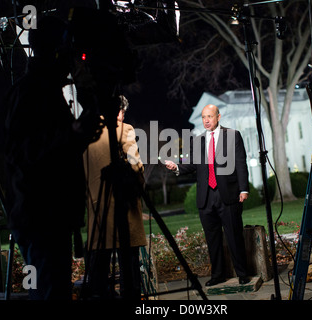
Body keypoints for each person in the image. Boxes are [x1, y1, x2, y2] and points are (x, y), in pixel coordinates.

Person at [4, 16, 103, 300]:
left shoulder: (45, 91)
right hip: (40, 219)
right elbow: (26, 154)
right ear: (56, 54)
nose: (74, 63)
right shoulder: (29, 92)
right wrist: (73, 134)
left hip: (51, 217)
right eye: (69, 55)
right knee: (48, 293)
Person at [165, 104, 250, 286]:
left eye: (209, 116)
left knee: (234, 236)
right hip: (206, 198)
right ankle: (218, 275)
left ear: (218, 117)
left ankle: (242, 273)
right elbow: (192, 165)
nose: (206, 120)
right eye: (203, 117)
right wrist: (177, 167)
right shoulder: (197, 141)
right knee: (213, 240)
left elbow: (241, 163)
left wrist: (244, 189)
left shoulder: (232, 135)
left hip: (228, 195)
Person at [83, 95, 147, 299]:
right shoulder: (124, 129)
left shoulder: (87, 133)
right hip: (123, 208)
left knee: (98, 276)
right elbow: (135, 164)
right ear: (119, 111)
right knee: (130, 272)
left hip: (95, 208)